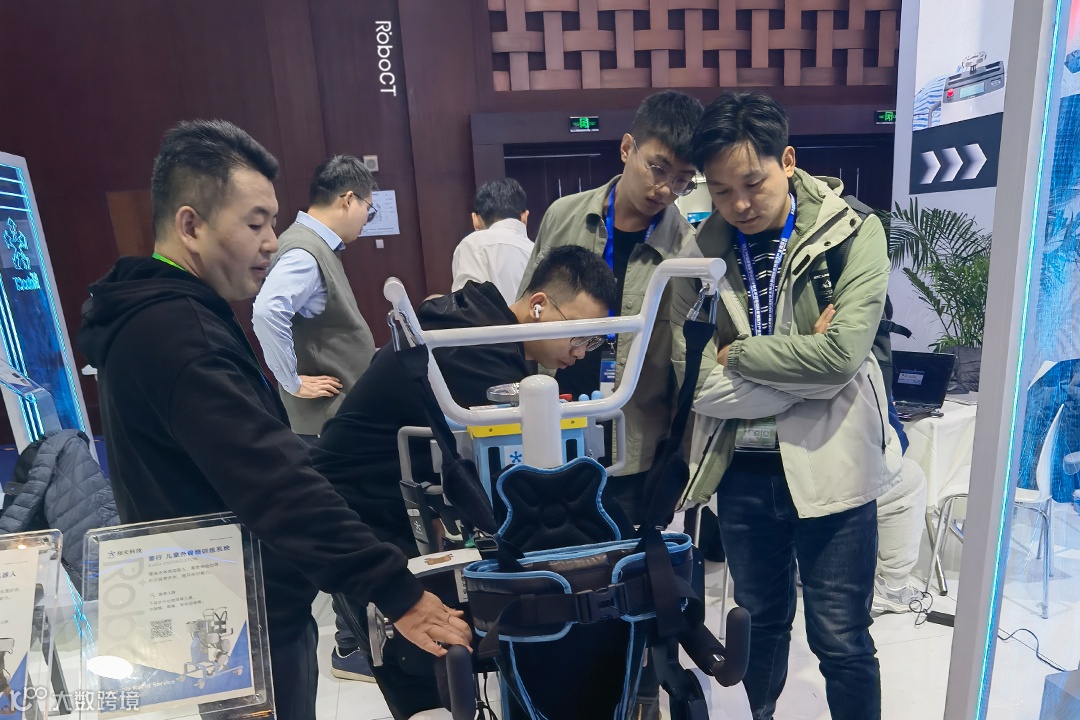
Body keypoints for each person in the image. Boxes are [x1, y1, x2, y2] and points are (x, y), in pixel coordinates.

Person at [77, 119, 470, 720]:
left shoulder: (167, 315)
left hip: (215, 601)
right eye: (255, 224)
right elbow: (271, 482)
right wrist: (395, 590)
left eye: (273, 223)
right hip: (230, 619)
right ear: (191, 225)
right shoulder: (180, 335)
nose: (271, 242)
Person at [312, 245, 617, 719]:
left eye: (593, 342)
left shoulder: (480, 326)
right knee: (425, 668)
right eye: (579, 334)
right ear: (539, 305)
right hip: (360, 515)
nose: (580, 351)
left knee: (444, 659)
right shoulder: (476, 352)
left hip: (394, 504)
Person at [671, 92, 901, 720]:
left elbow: (842, 358)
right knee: (758, 623)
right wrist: (807, 363)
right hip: (742, 472)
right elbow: (694, 382)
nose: (740, 204)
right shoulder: (700, 254)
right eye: (721, 190)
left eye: (753, 183)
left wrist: (740, 354)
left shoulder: (853, 233)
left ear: (788, 161)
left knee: (842, 638)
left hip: (833, 465)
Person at [517, 90, 704, 527]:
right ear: (626, 148)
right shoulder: (563, 216)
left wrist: (682, 457)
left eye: (683, 179)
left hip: (635, 451)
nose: (666, 189)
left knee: (625, 564)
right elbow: (525, 315)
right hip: (551, 434)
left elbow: (686, 367)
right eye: (657, 168)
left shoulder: (687, 252)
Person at [252, 155, 377, 439]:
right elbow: (267, 312)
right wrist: (291, 382)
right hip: (326, 421)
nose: (366, 220)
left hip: (336, 417)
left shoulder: (314, 244)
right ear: (348, 200)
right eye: (368, 209)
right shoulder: (304, 252)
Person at [451, 177, 533, 305]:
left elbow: (468, 307)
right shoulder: (539, 251)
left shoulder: (473, 244)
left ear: (476, 220)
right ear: (525, 217)